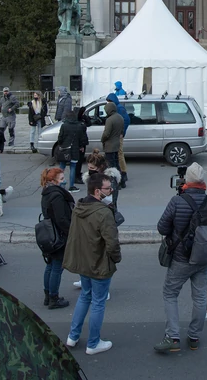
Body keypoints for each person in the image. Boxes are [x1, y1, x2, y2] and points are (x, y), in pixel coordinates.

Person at [154, 162, 207, 353]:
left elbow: (162, 228)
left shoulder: (177, 201)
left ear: (186, 181)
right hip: (205, 257)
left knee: (170, 294)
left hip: (181, 258)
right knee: (200, 296)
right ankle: (194, 337)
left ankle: (173, 336)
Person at [64, 173, 121, 355]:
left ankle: (73, 336)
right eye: (108, 189)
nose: (111, 191)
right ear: (97, 191)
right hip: (99, 263)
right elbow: (112, 243)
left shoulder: (79, 207)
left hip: (84, 261)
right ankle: (93, 343)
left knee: (85, 297)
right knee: (98, 302)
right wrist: (116, 258)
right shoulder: (104, 213)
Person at [41, 167, 75, 310]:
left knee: (50, 266)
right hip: (59, 236)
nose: (64, 181)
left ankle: (48, 295)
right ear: (53, 181)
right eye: (61, 179)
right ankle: (54, 298)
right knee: (57, 267)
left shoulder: (46, 192)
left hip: (50, 235)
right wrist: (71, 232)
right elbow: (61, 219)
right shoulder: (57, 195)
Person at [57, 109, 89, 193]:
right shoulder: (79, 126)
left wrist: (61, 144)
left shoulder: (64, 126)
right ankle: (71, 186)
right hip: (75, 150)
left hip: (65, 150)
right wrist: (81, 146)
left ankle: (60, 184)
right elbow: (81, 139)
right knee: (73, 167)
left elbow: (60, 138)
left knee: (62, 167)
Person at [106, 93, 131, 187]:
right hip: (116, 135)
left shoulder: (119, 108)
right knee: (118, 154)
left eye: (108, 101)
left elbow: (126, 120)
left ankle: (123, 173)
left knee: (119, 154)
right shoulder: (117, 107)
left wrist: (122, 132)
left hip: (117, 136)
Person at [100, 100, 124, 173]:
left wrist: (102, 140)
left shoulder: (109, 120)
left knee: (110, 165)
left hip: (110, 145)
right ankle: (120, 177)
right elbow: (121, 131)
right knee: (116, 163)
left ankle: (113, 179)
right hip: (117, 144)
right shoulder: (120, 117)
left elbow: (106, 134)